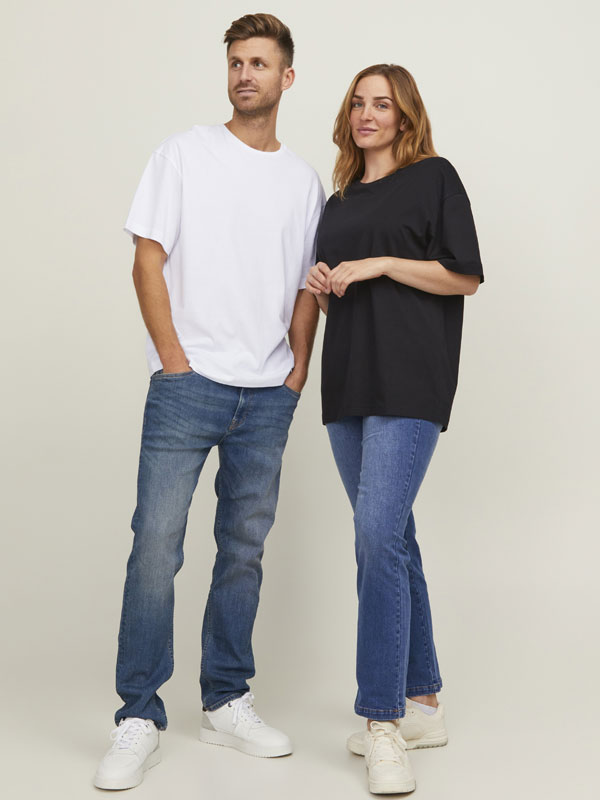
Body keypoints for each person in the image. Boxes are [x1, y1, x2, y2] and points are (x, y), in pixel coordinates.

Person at [94, 13, 325, 791]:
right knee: (156, 545)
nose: (244, 74)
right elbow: (147, 259)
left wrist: (297, 370)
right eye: (235, 62)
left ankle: (225, 699)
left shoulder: (303, 182)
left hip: (267, 394)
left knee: (243, 551)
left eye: (259, 63)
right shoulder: (184, 154)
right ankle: (138, 715)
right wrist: (174, 360)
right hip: (187, 386)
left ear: (287, 77)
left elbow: (307, 286)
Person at [306, 63, 483, 794]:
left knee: (374, 537)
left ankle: (382, 720)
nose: (367, 114)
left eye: (382, 104)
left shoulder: (435, 177)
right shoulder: (339, 200)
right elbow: (339, 291)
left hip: (411, 378)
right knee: (393, 537)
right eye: (358, 103)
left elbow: (464, 275)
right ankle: (424, 704)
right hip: (348, 380)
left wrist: (379, 262)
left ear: (405, 115)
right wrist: (324, 287)